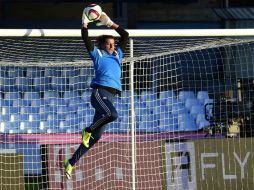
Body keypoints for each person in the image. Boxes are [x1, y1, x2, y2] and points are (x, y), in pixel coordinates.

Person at [63, 7, 129, 179]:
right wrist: (84, 23)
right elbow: (85, 39)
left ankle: (70, 162)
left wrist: (109, 23)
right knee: (112, 114)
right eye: (109, 43)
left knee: (95, 139)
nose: (112, 46)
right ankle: (87, 129)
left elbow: (126, 35)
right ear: (101, 45)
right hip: (99, 94)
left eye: (113, 44)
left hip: (110, 97)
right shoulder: (98, 54)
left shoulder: (118, 55)